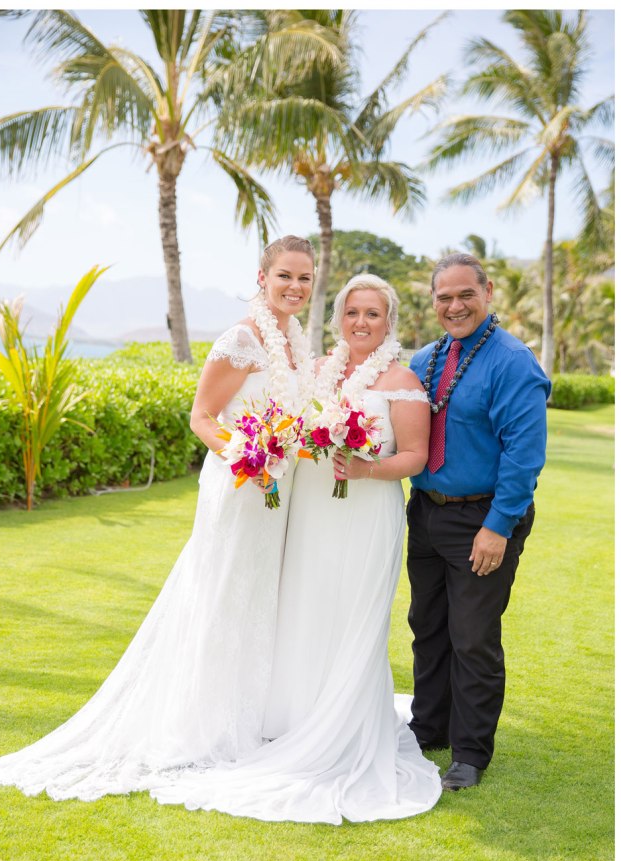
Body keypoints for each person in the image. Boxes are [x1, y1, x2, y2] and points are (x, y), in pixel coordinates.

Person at [0, 235, 316, 801]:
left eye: (305, 278)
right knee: (223, 594)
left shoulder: (295, 343)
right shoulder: (241, 339)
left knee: (263, 596)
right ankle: (207, 724)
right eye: (284, 275)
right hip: (240, 485)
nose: (295, 286)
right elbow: (202, 416)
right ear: (261, 277)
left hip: (278, 490)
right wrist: (247, 455)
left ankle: (257, 711)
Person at [149, 274, 442, 823]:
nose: (361, 322)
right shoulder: (321, 374)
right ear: (339, 319)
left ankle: (343, 725)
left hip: (365, 513)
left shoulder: (401, 380)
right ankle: (293, 718)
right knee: (303, 610)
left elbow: (418, 456)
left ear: (389, 321)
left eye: (373, 314)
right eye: (352, 312)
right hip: (308, 512)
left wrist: (365, 467)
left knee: (352, 615)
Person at [407, 253, 551, 791]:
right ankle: (429, 728)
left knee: (473, 639)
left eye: (466, 294)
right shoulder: (426, 359)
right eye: (444, 297)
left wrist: (498, 525)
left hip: (483, 519)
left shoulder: (513, 361)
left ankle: (469, 753)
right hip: (425, 514)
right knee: (429, 628)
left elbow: (524, 453)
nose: (455, 305)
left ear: (487, 293)